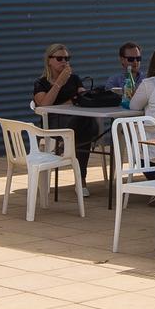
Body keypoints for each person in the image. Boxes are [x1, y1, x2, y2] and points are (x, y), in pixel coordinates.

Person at [33, 43, 98, 196]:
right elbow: (44, 105)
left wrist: (81, 96)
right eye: (60, 58)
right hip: (53, 123)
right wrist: (59, 83)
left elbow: (82, 99)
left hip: (77, 121)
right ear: (49, 60)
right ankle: (81, 179)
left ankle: (66, 148)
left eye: (67, 58)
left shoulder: (74, 79)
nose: (64, 62)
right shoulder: (40, 83)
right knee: (85, 130)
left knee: (84, 123)